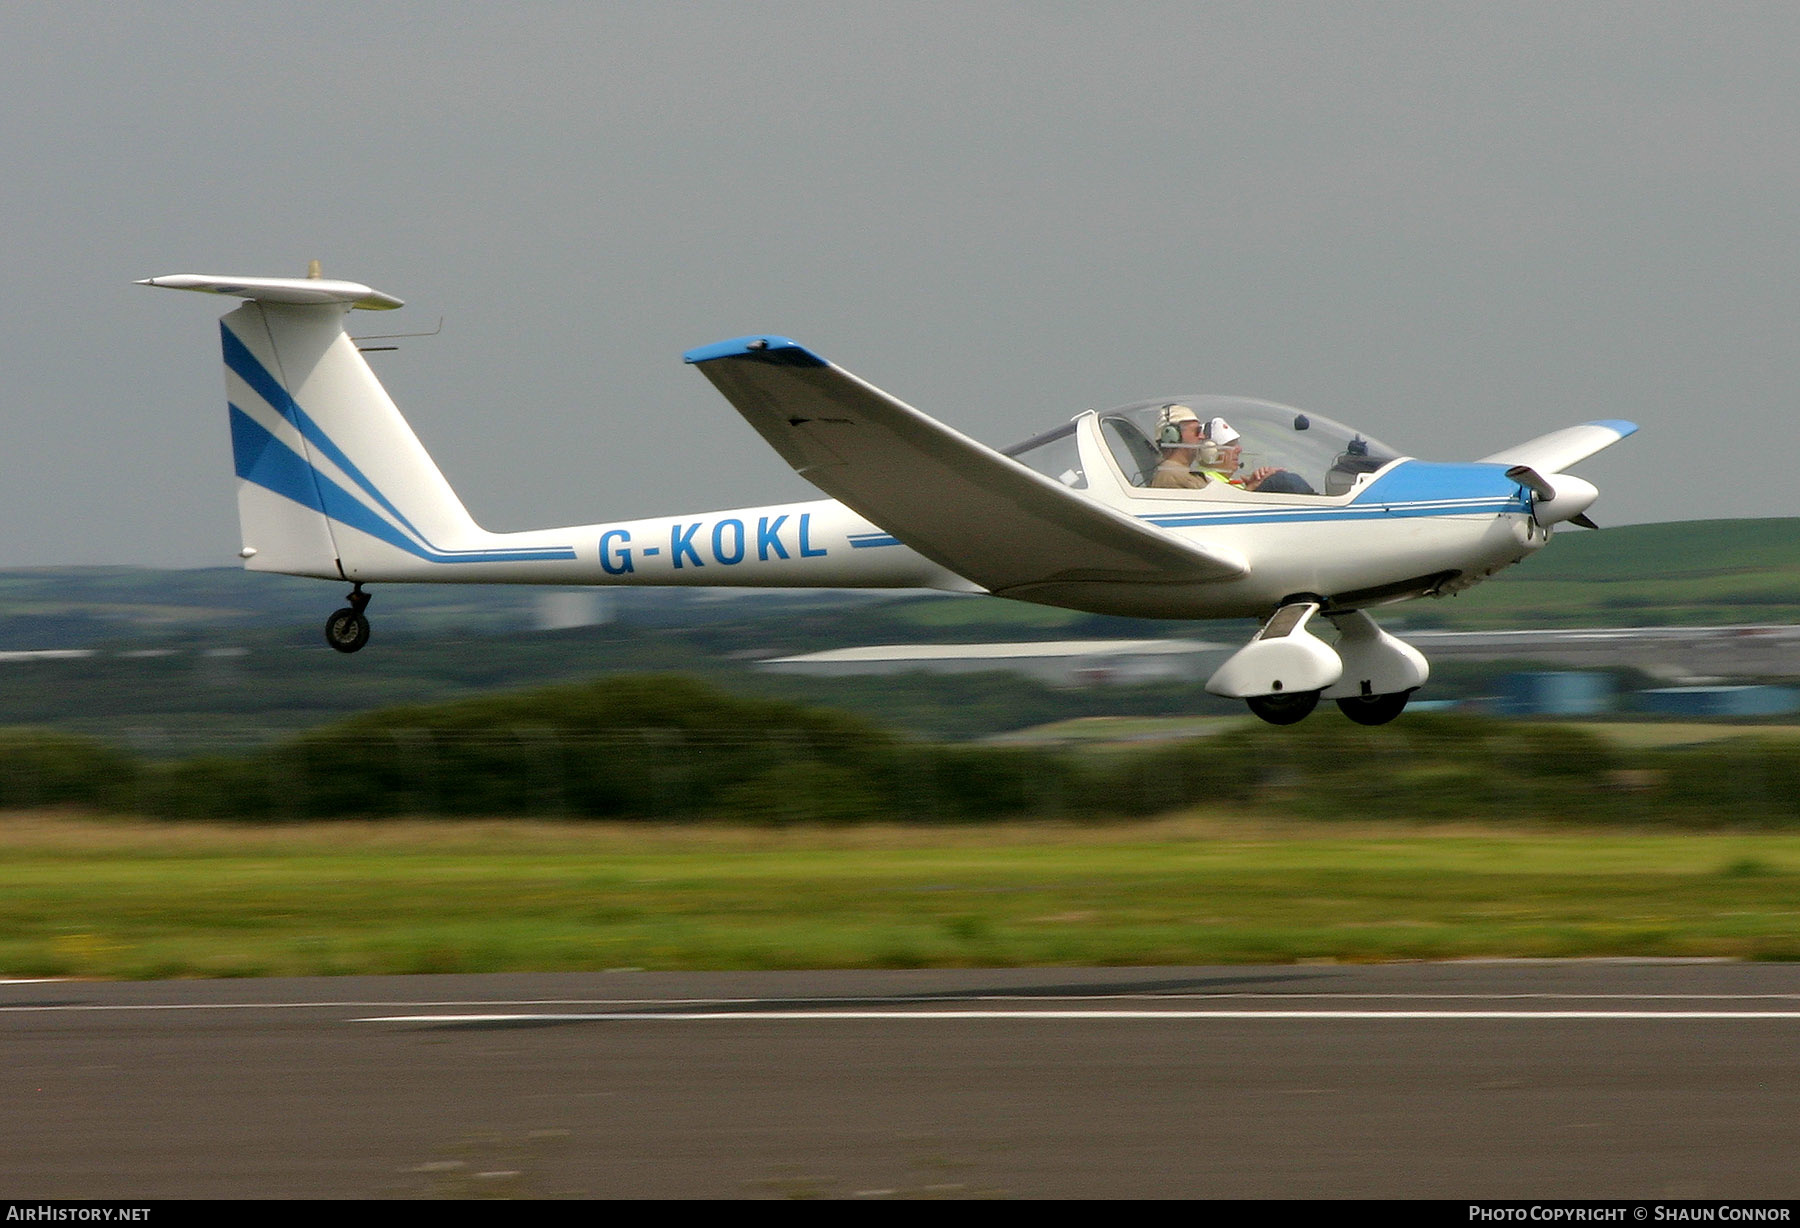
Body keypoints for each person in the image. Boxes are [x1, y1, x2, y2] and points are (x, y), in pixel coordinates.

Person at [1147, 405, 1209, 489]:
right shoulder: (1171, 475)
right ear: (1172, 435)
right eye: (1197, 431)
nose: (1202, 436)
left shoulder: (1179, 473)